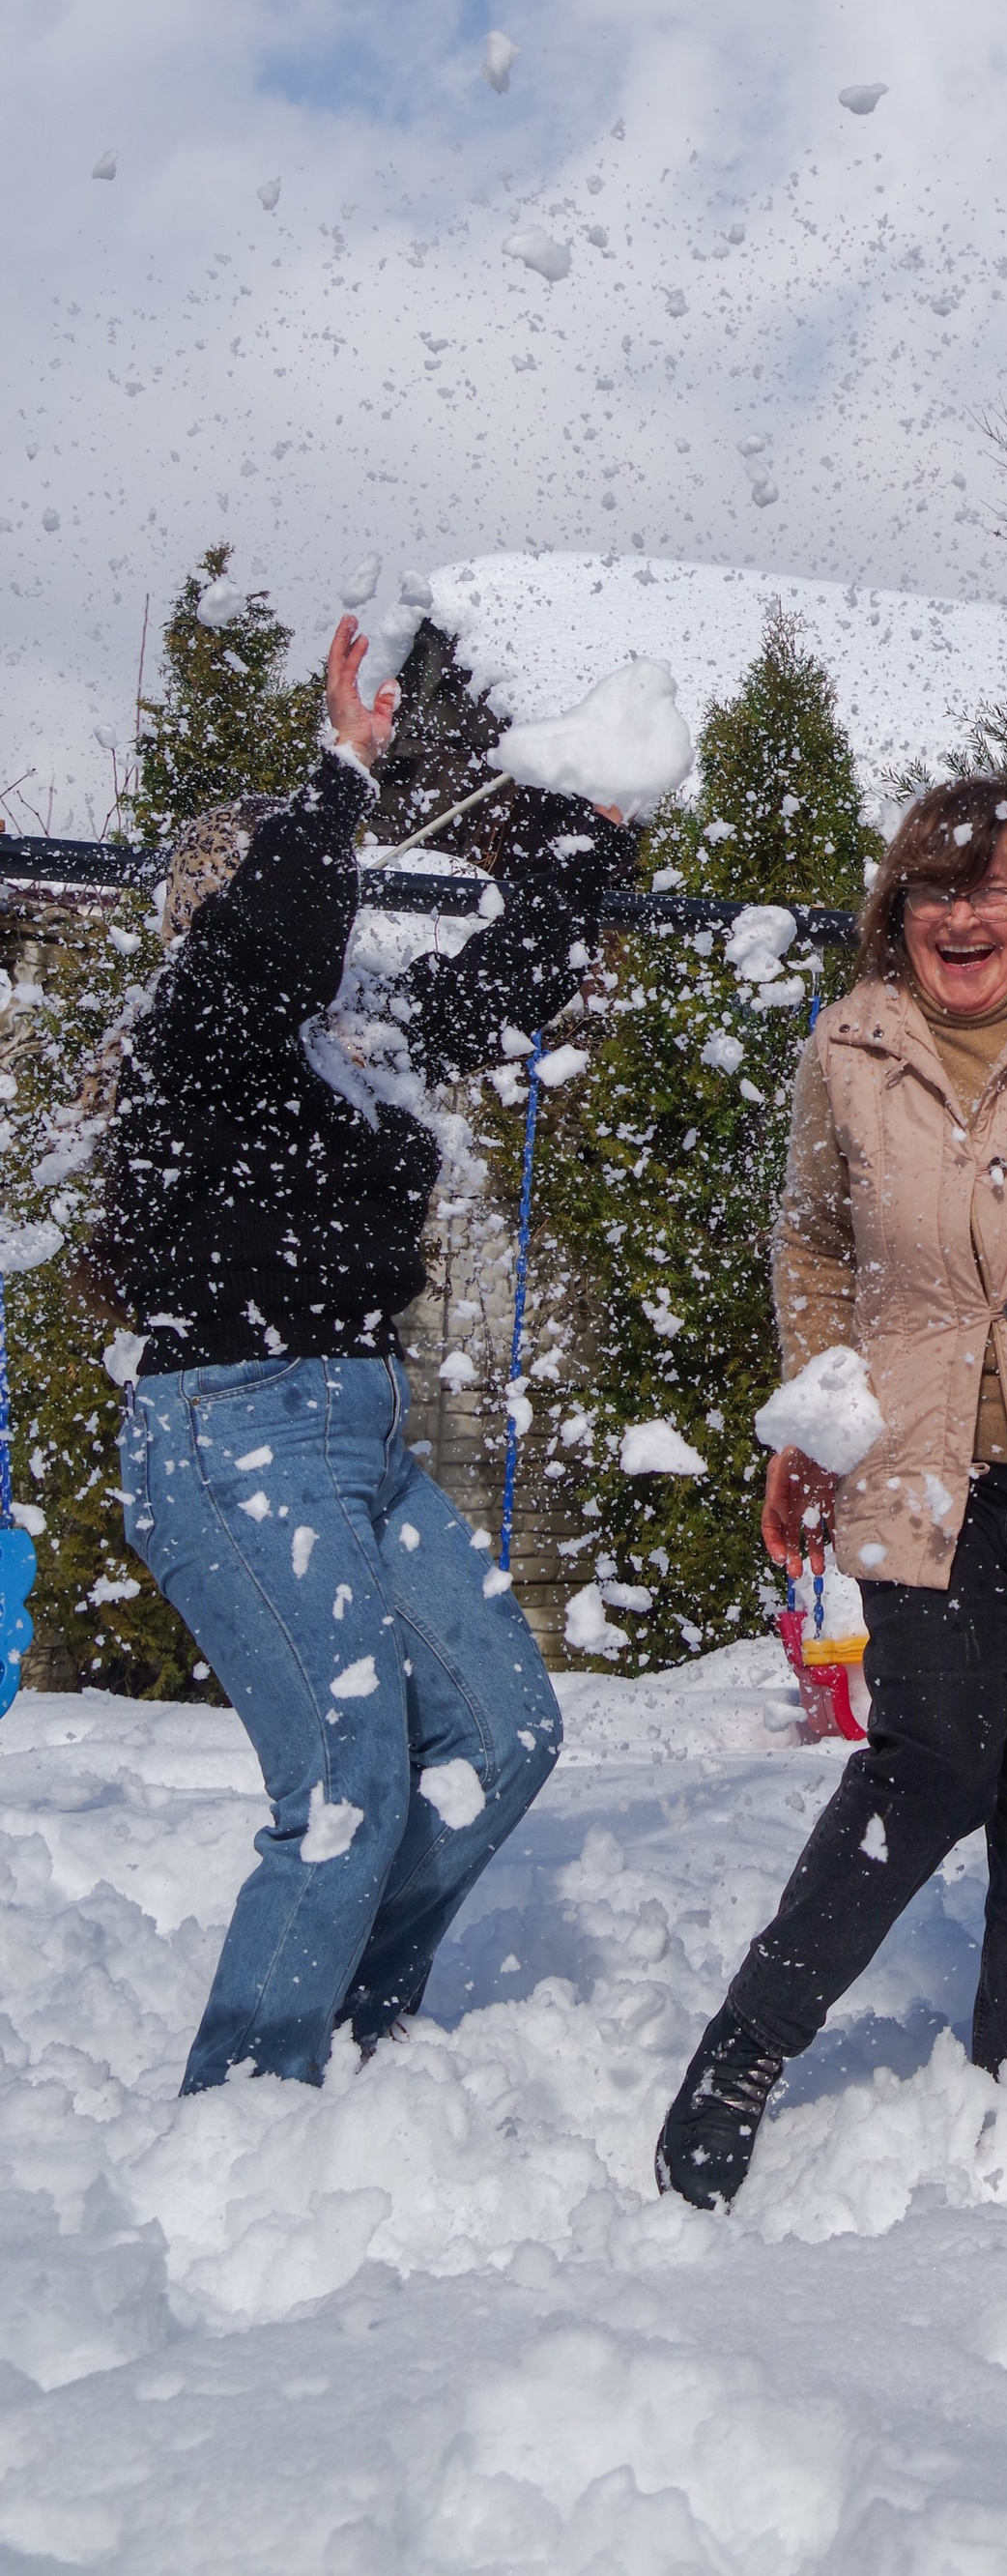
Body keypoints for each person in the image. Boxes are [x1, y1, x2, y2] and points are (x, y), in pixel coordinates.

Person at [657, 771, 1007, 2209]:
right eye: (932, 889)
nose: (960, 917)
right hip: (924, 1472)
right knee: (930, 1767)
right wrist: (815, 1411)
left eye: (993, 890)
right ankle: (744, 2051)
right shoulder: (847, 1045)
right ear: (894, 909)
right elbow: (814, 1244)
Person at [92, 617, 636, 2092]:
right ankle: (252, 2093)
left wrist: (584, 832)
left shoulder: (361, 1035)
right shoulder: (193, 1034)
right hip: (227, 1431)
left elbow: (509, 980)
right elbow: (265, 937)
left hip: (360, 1427)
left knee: (505, 1737)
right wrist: (340, 771)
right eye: (292, 899)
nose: (335, 933)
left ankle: (351, 2031)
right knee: (345, 1774)